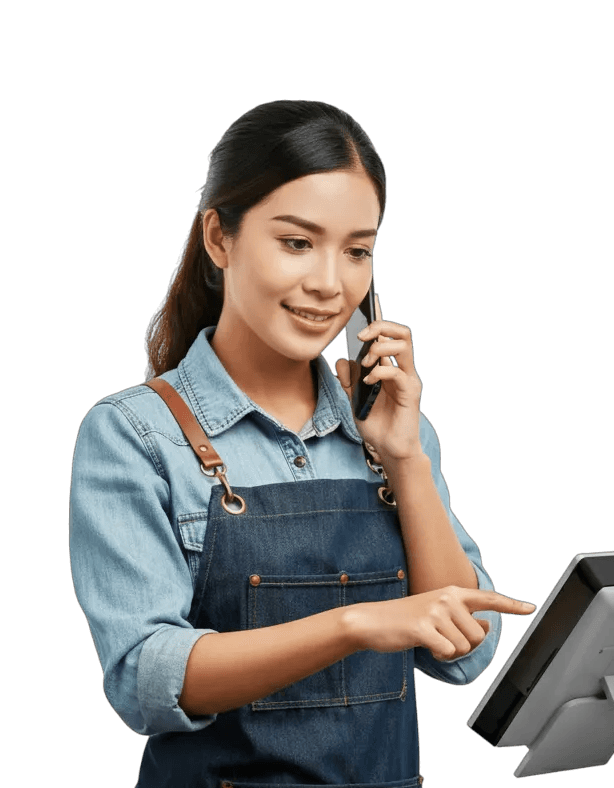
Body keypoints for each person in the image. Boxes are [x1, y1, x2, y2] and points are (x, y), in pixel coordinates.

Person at [69, 99, 535, 788]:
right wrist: (353, 626)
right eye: (297, 242)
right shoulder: (136, 434)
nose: (329, 284)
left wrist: (404, 456)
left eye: (357, 251)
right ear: (219, 238)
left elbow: (465, 654)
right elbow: (145, 679)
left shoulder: (392, 433)